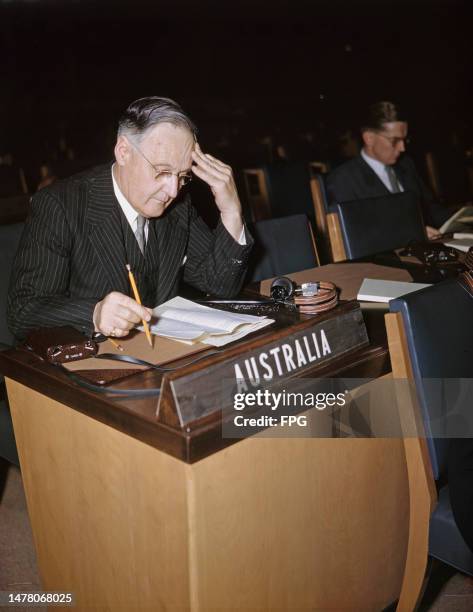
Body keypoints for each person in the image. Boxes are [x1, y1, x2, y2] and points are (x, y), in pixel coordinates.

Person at [8, 97, 252, 340]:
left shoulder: (178, 206)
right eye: (162, 172)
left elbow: (219, 286)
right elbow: (23, 312)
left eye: (183, 176)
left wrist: (231, 211)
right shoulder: (60, 206)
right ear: (123, 151)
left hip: (166, 359)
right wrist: (94, 313)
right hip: (94, 362)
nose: (173, 190)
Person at [326, 101, 450, 239]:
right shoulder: (343, 179)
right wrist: (413, 232)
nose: (402, 148)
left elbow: (430, 209)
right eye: (395, 140)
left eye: (404, 140)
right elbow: (355, 235)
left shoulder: (406, 165)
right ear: (369, 138)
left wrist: (461, 220)